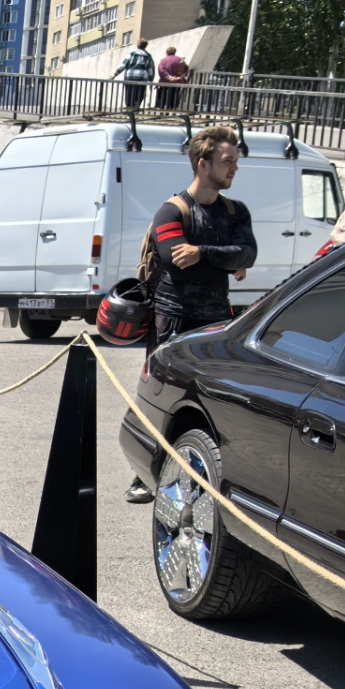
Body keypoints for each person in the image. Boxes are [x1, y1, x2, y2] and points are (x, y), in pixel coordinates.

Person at [126, 124, 257, 502]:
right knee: (161, 399)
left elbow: (248, 254)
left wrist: (202, 252)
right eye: (227, 160)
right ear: (203, 163)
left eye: (235, 161)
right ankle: (143, 474)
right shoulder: (172, 210)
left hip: (217, 323)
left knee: (214, 402)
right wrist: (226, 259)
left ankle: (206, 474)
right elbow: (175, 260)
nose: (234, 167)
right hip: (173, 320)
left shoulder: (236, 211)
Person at [113, 37, 156, 111]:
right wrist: (151, 81)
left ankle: (129, 109)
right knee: (139, 95)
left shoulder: (132, 54)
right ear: (145, 46)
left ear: (137, 45)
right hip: (142, 78)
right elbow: (150, 69)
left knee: (129, 94)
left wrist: (115, 74)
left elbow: (124, 65)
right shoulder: (148, 56)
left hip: (130, 77)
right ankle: (135, 108)